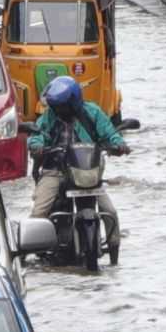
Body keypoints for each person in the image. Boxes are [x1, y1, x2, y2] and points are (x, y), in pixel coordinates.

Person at [27, 77, 128, 252]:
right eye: (56, 107)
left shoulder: (93, 112)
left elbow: (109, 133)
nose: (59, 110)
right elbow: (38, 134)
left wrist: (119, 144)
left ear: (73, 102)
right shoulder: (49, 116)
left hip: (87, 172)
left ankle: (114, 249)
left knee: (110, 211)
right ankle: (28, 250)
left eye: (62, 106)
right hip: (55, 171)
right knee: (38, 214)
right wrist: (36, 146)